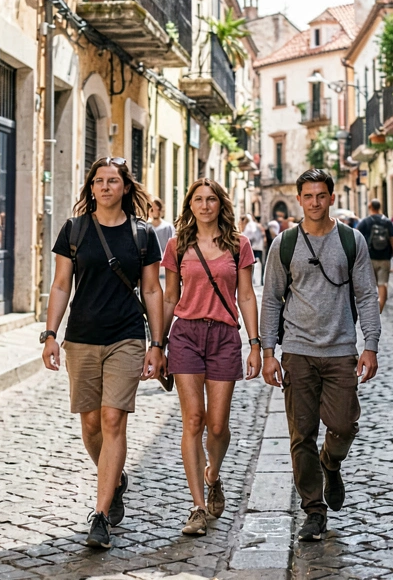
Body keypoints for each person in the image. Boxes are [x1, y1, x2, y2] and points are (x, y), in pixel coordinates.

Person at [42, 157, 166, 550]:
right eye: (99, 181)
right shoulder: (74, 230)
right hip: (81, 336)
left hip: (126, 336)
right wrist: (50, 334)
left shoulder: (143, 235)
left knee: (114, 419)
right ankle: (116, 478)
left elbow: (151, 290)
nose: (106, 187)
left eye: (113, 181)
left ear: (126, 187)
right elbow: (62, 285)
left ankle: (100, 515)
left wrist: (157, 343)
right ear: (91, 187)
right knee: (92, 425)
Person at [261, 169, 380, 542]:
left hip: (341, 349)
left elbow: (366, 295)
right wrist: (268, 352)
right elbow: (270, 300)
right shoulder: (284, 243)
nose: (315, 202)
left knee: (344, 425)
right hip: (297, 351)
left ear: (331, 197)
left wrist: (371, 344)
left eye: (321, 195)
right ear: (300, 199)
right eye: (308, 196)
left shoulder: (351, 240)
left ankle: (331, 461)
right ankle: (313, 509)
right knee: (301, 435)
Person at [162, 180, 262, 536]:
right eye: (198, 200)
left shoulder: (239, 245)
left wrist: (255, 343)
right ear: (190, 205)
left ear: (221, 204)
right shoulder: (176, 246)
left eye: (211, 200)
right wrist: (158, 345)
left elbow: (247, 296)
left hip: (223, 338)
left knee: (218, 426)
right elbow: (169, 297)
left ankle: (213, 475)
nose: (205, 206)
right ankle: (198, 507)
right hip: (186, 334)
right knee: (194, 420)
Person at [357, 199, 393, 313]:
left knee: (370, 286)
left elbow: (356, 238)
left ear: (370, 207)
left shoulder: (365, 222)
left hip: (369, 258)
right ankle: (379, 309)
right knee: (383, 284)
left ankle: (370, 311)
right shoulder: (387, 222)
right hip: (384, 258)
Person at [150, 199, 176, 281]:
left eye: (157, 208)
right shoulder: (145, 228)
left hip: (165, 268)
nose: (155, 211)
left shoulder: (168, 227)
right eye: (152, 209)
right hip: (150, 268)